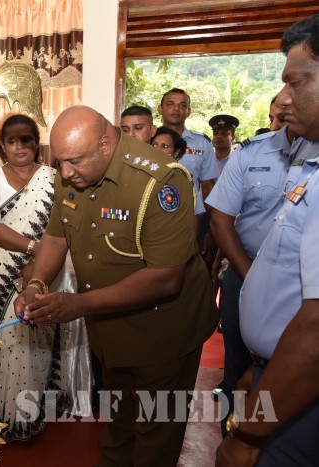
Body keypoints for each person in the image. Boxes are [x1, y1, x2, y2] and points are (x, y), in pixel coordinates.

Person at [15, 106, 217, 466]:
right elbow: (57, 237)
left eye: (74, 161)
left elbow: (165, 277)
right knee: (118, 427)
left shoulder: (160, 181)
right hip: (110, 330)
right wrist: (36, 283)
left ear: (106, 145)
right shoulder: (70, 174)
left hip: (163, 334)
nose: (65, 172)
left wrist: (79, 305)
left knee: (154, 439)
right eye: (60, 162)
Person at [216, 13, 319, 467]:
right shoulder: (304, 163)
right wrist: (259, 372)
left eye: (296, 82)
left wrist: (246, 436)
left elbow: (315, 330)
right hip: (278, 373)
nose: (284, 98)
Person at [207, 103, 294, 437]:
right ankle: (231, 437)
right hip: (245, 270)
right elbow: (220, 218)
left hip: (302, 283)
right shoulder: (251, 154)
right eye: (275, 117)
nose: (278, 122)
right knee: (237, 364)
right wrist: (251, 275)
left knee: (291, 368)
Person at [0, 114, 65, 441]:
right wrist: (35, 249)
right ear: (3, 146)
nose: (19, 147)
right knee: (8, 338)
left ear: (36, 144)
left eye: (26, 140)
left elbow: (61, 227)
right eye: (12, 141)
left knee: (38, 336)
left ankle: (31, 412)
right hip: (3, 271)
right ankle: (6, 415)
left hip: (46, 272)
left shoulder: (53, 178)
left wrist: (41, 263)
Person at [158, 88, 220, 261]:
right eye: (171, 104)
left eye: (182, 105)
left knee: (190, 265)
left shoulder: (202, 143)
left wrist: (212, 226)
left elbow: (208, 186)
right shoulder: (148, 140)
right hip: (154, 217)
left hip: (192, 218)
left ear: (189, 111)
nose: (176, 109)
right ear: (160, 109)